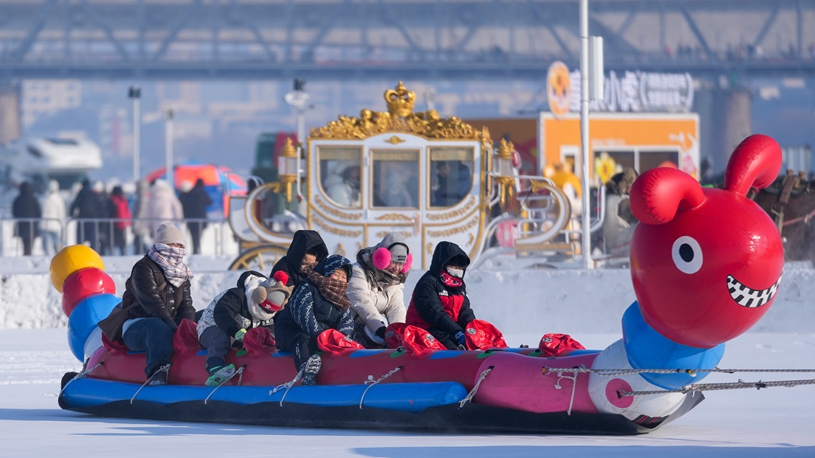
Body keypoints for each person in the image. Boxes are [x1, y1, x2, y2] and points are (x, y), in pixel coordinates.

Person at [98, 223, 195, 385]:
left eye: (180, 246)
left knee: (204, 318)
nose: (177, 249)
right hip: (139, 326)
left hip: (168, 322)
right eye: (173, 244)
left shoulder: (181, 273)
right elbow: (153, 305)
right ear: (162, 244)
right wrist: (176, 331)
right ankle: (157, 371)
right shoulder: (144, 268)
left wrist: (188, 327)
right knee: (158, 327)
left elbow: (186, 305)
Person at [196, 270, 292, 386]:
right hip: (211, 326)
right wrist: (237, 331)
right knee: (220, 336)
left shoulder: (269, 313)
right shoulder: (237, 296)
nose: (265, 313)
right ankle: (214, 366)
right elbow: (222, 313)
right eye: (264, 308)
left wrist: (267, 337)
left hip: (241, 332)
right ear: (259, 295)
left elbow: (269, 326)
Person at [273, 255, 354, 385]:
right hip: (290, 330)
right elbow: (303, 312)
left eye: (343, 277)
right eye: (336, 274)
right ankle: (306, 369)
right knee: (303, 339)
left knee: (346, 344)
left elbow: (347, 321)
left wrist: (340, 338)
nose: (339, 280)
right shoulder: (308, 287)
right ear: (327, 272)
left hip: (321, 337)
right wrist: (318, 335)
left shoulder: (342, 299)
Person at [405, 241, 475, 350]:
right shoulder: (427, 283)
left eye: (460, 269)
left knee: (474, 343)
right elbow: (434, 313)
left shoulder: (459, 286)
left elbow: (465, 312)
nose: (457, 272)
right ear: (442, 265)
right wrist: (457, 331)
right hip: (424, 329)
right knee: (453, 348)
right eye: (453, 267)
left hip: (448, 330)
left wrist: (472, 330)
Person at [346, 233, 410, 348]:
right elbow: (362, 303)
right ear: (382, 257)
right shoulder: (357, 271)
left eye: (401, 263)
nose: (397, 268)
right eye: (394, 262)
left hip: (378, 329)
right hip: (353, 328)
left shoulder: (396, 279)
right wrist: (380, 329)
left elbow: (396, 307)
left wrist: (399, 332)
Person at [179, 178, 212, 255]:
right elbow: (209, 202)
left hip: (191, 218)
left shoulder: (190, 193)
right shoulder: (202, 192)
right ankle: (197, 250)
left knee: (193, 236)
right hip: (201, 218)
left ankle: (195, 250)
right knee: (198, 235)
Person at [12, 181, 41, 256]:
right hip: (32, 225)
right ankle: (28, 255)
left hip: (21, 225)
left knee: (25, 243)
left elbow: (14, 212)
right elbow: (38, 212)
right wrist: (36, 221)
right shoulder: (34, 199)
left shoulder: (18, 199)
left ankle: (26, 254)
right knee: (30, 244)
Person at [69, 179, 99, 250]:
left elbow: (74, 205)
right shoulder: (93, 194)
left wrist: (72, 214)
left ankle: (79, 252)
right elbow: (98, 206)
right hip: (92, 219)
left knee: (80, 238)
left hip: (82, 218)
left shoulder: (81, 193)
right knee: (92, 238)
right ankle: (94, 253)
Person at [40, 180, 65, 255]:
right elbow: (61, 212)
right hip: (55, 224)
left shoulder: (43, 197)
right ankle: (58, 255)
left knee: (45, 243)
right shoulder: (58, 199)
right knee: (57, 242)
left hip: (44, 224)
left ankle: (47, 255)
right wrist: (62, 222)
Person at [110, 186, 132, 256]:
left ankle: (113, 254)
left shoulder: (114, 200)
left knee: (113, 239)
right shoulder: (124, 200)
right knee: (122, 240)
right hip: (123, 223)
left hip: (115, 223)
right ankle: (122, 253)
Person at [131, 180, 151, 254]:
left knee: (138, 241)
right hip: (141, 223)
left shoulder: (142, 198)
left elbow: (141, 212)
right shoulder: (141, 197)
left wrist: (136, 223)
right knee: (139, 241)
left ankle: (147, 254)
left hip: (140, 223)